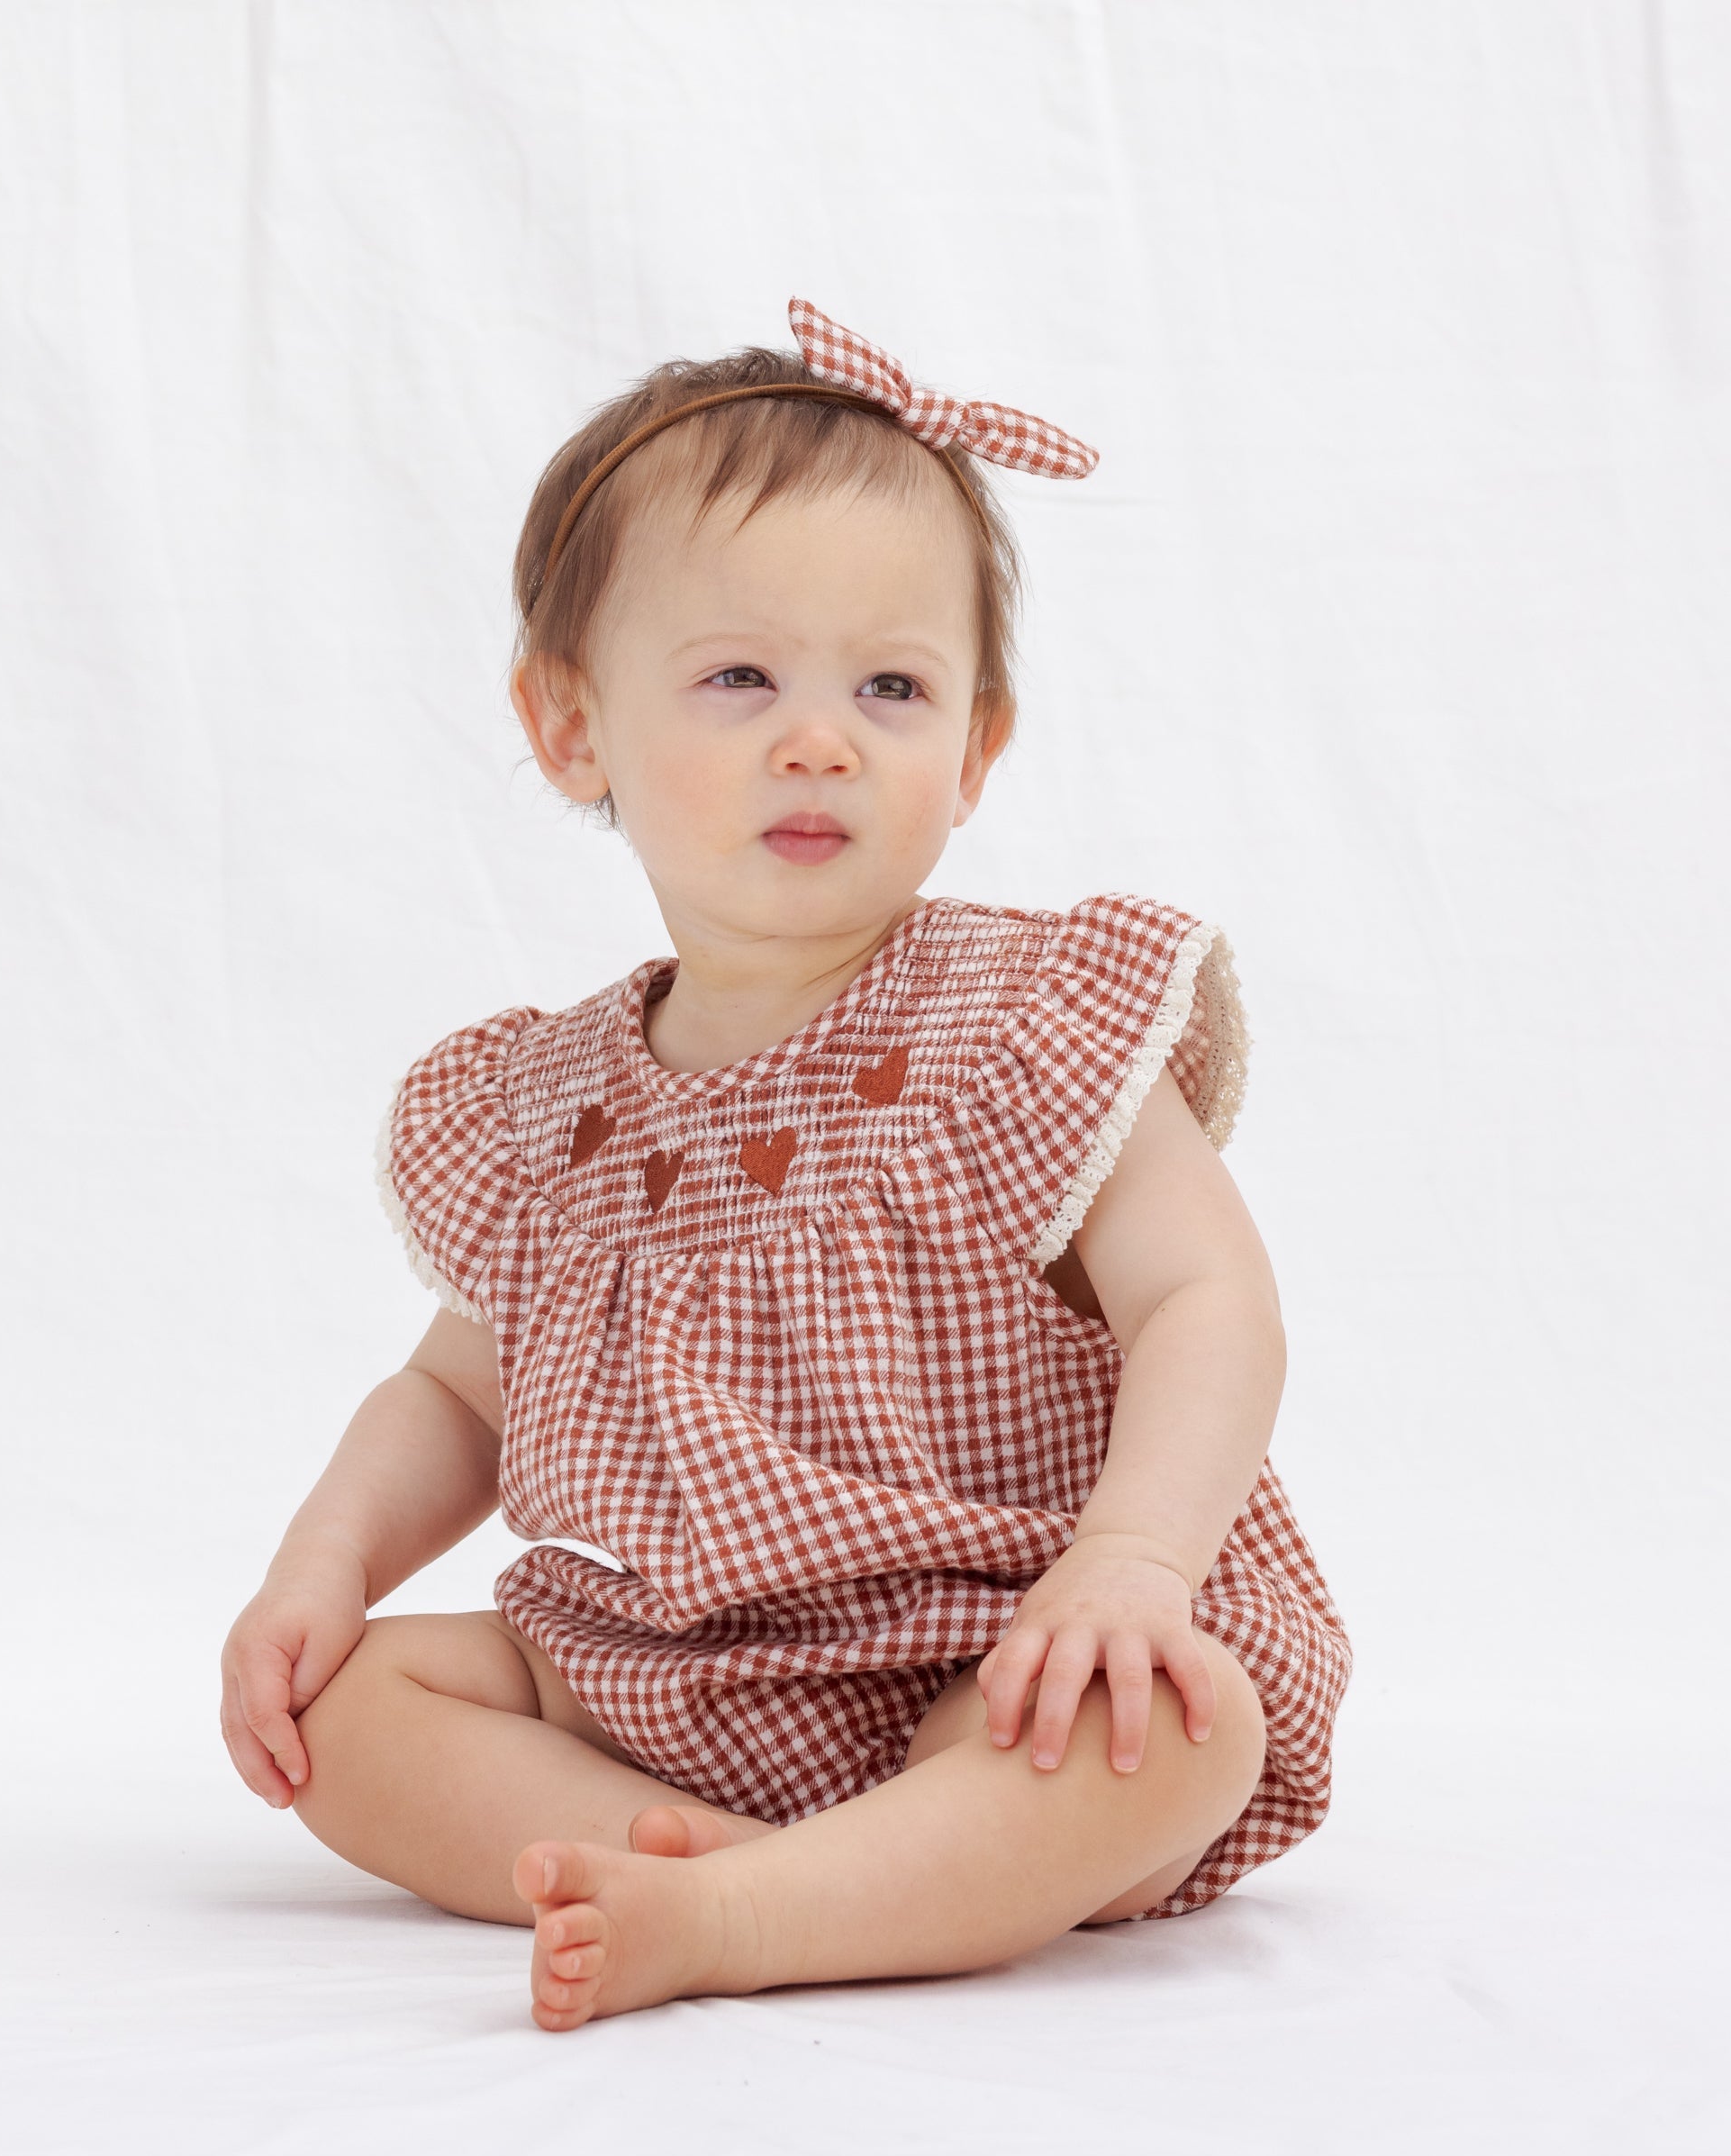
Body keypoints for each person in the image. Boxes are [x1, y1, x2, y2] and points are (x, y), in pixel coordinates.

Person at [219, 299, 1353, 2032]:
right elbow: (454, 1397)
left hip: (1001, 1645)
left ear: (974, 749)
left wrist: (1128, 1563)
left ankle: (760, 1909)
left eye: (891, 687)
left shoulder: (1019, 1023)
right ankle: (821, 1881)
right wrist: (324, 1567)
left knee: (1173, 1731)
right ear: (571, 725)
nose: (821, 739)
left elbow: (1212, 1301)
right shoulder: (557, 1111)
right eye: (741, 677)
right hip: (679, 1672)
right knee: (352, 1714)